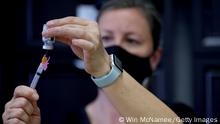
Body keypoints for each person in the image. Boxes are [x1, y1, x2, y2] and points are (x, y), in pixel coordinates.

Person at [2, 0, 182, 124]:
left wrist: (105, 68)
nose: (116, 48)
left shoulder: (179, 114)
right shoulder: (65, 119)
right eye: (106, 38)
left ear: (155, 58)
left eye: (132, 40)